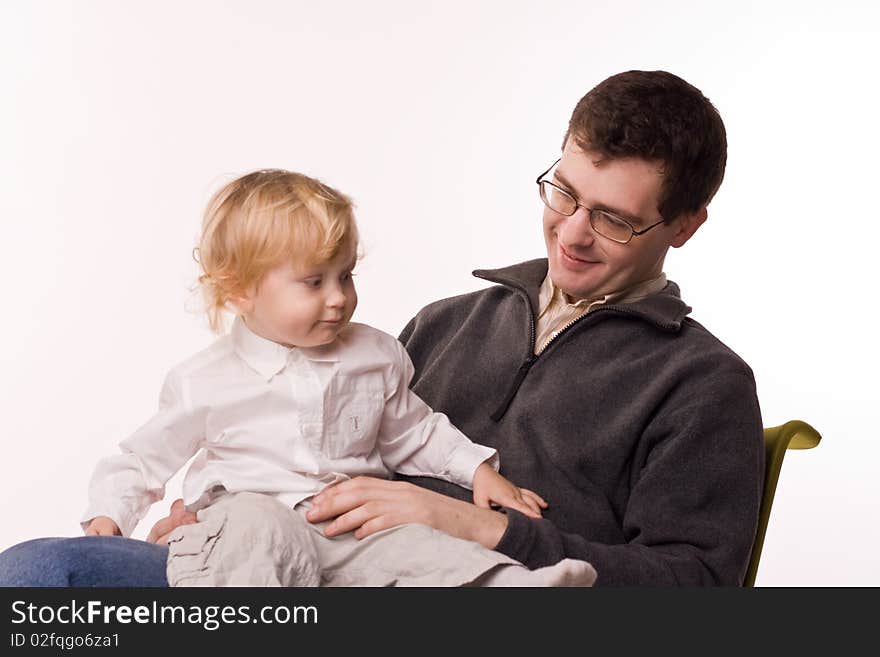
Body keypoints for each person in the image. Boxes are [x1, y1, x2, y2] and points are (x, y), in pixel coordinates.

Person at [0, 69, 763, 587]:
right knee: (38, 577)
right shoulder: (441, 325)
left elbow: (693, 586)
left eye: (614, 220)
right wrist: (207, 511)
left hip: (451, 583)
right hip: (302, 560)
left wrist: (479, 527)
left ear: (685, 225)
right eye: (564, 192)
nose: (571, 233)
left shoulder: (700, 384)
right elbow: (318, 438)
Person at [8, 169, 599, 587]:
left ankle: (514, 589)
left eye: (346, 276)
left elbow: (413, 432)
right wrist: (109, 518)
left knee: (418, 549)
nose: (339, 298)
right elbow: (142, 459)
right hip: (242, 523)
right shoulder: (206, 379)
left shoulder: (374, 354)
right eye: (313, 282)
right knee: (257, 530)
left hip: (344, 525)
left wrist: (478, 470)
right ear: (240, 291)